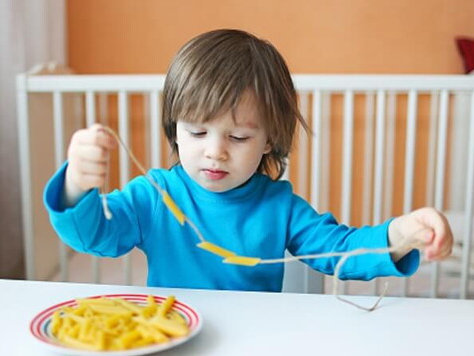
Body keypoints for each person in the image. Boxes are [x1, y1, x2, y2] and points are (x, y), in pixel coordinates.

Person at [44, 29, 453, 292]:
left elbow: (339, 250)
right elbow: (94, 237)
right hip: (172, 338)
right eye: (198, 132)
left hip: (257, 346)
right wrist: (77, 186)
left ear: (270, 139)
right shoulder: (154, 196)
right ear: (174, 127)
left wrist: (401, 233)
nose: (215, 150)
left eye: (238, 136)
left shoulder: (279, 206)